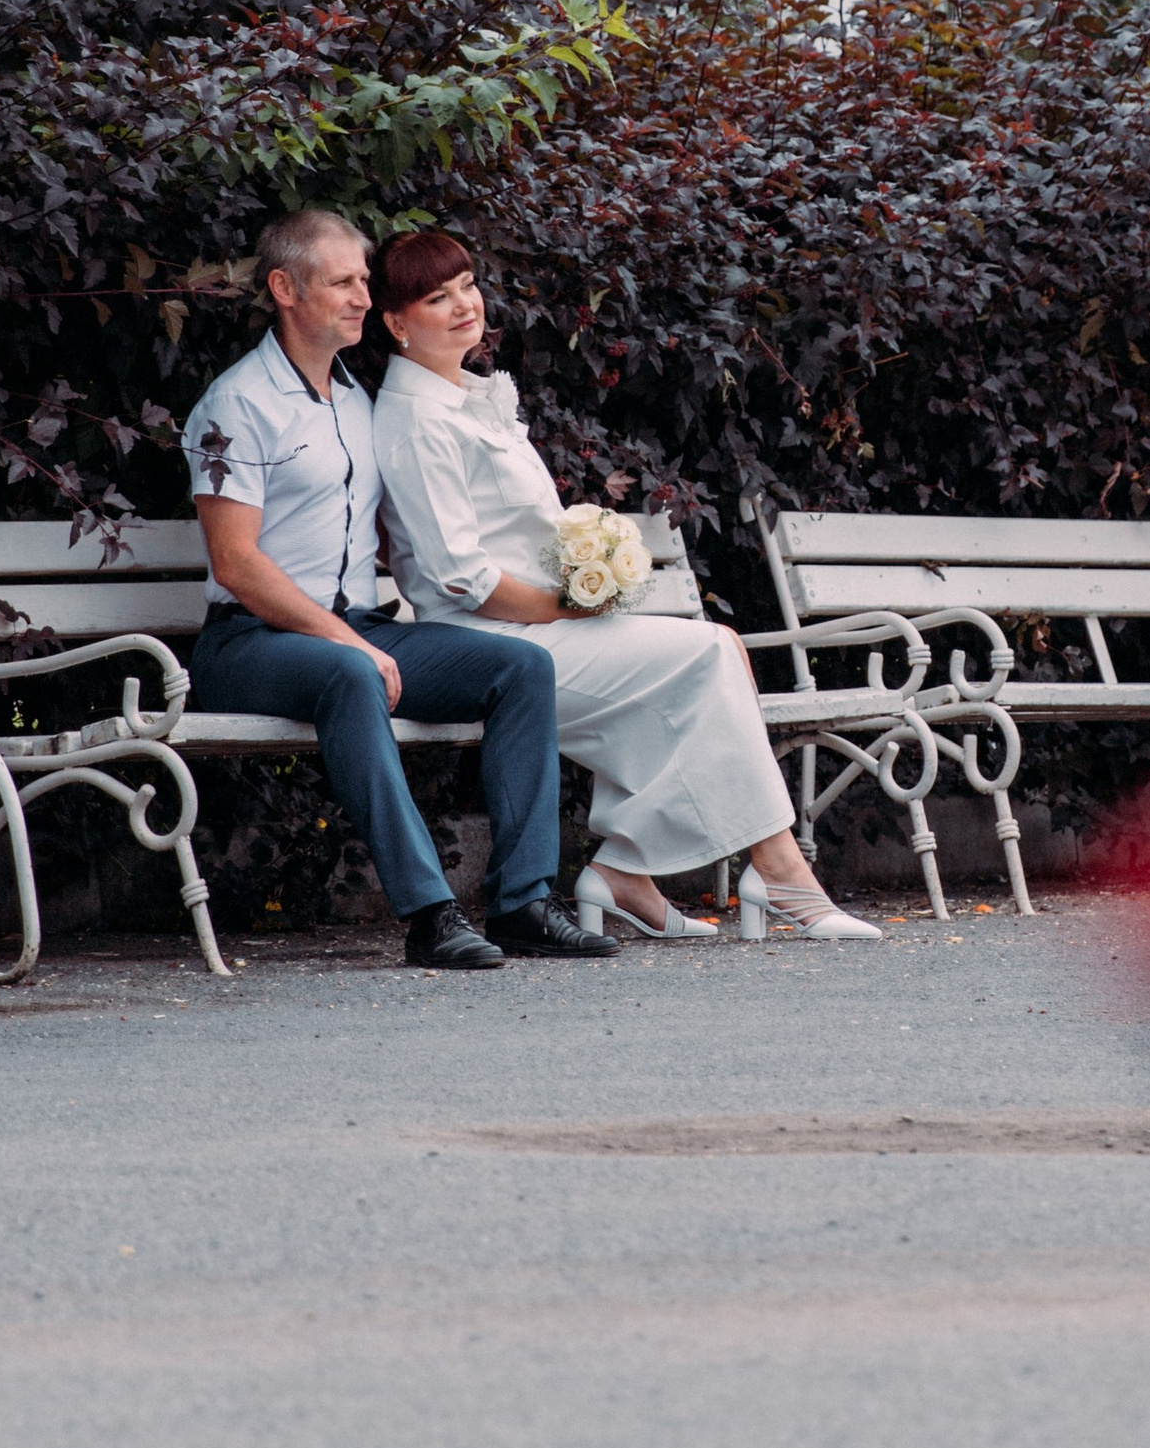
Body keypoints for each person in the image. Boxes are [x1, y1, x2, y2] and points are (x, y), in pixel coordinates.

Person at [366, 228, 879, 942]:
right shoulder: (415, 419)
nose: (463, 306)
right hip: (492, 640)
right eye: (435, 297)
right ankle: (779, 870)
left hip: (542, 625)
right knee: (705, 655)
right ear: (395, 323)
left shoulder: (466, 397)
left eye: (467, 286)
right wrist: (571, 604)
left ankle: (627, 870)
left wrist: (583, 583)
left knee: (718, 646)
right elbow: (461, 577)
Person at [182, 208, 615, 971]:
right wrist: (346, 640)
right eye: (343, 282)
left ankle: (523, 902)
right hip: (250, 645)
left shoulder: (356, 398)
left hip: (362, 629)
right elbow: (236, 565)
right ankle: (430, 914)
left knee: (521, 667)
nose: (360, 296)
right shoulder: (237, 404)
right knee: (351, 672)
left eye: (362, 281)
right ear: (284, 287)